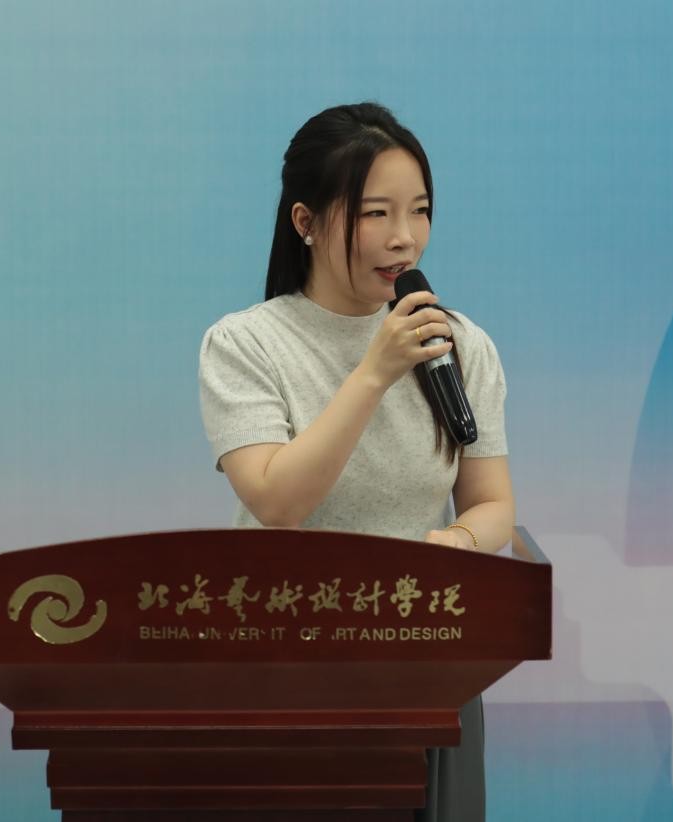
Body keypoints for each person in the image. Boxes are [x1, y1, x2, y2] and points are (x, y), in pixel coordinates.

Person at [198, 101, 514, 822]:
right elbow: (278, 503)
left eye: (420, 210)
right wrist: (373, 373)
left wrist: (458, 542)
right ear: (305, 222)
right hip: (286, 659)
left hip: (423, 652)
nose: (405, 237)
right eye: (376, 214)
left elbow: (493, 502)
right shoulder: (243, 345)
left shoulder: (459, 343)